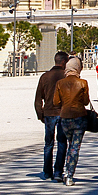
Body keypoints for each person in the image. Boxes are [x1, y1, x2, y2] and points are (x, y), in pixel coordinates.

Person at [54, 57, 92, 186]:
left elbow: (56, 102)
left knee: (70, 144)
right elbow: (86, 101)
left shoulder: (60, 83)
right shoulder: (83, 83)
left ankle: (66, 170)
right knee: (75, 147)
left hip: (65, 117)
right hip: (79, 117)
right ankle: (69, 174)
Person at [34, 51, 69, 181]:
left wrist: (40, 114)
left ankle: (47, 171)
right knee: (62, 142)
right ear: (64, 62)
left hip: (48, 113)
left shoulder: (45, 76)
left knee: (48, 143)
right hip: (62, 113)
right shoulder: (66, 76)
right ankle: (58, 171)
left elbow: (38, 98)